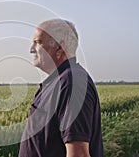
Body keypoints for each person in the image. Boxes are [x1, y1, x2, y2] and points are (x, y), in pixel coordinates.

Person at [19, 19, 103, 157]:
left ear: (59, 48)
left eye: (38, 42)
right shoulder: (58, 82)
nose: (31, 49)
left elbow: (78, 154)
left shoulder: (72, 84)